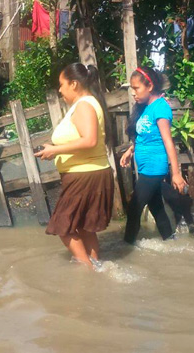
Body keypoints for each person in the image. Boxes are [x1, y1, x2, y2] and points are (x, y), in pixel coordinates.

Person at [34, 63, 114, 269]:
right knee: (86, 227)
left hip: (85, 176)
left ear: (74, 84)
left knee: (63, 226)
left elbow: (89, 140)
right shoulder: (87, 104)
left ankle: (87, 271)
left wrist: (55, 150)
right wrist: (54, 148)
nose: (60, 90)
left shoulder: (84, 105)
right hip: (89, 173)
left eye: (62, 85)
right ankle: (96, 269)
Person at [119, 66, 187, 244]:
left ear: (149, 86)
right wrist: (130, 150)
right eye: (132, 89)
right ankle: (170, 240)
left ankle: (127, 248)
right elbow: (145, 136)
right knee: (156, 206)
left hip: (154, 167)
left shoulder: (160, 108)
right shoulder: (146, 108)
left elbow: (168, 142)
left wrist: (176, 173)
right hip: (145, 167)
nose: (134, 93)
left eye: (136, 88)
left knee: (134, 208)